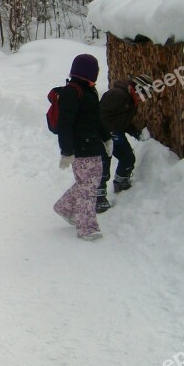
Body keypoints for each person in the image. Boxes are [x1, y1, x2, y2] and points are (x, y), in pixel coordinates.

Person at [53, 54, 112, 241]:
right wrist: (67, 151)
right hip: (80, 147)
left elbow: (96, 118)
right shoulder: (72, 92)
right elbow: (65, 124)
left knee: (88, 183)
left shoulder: (89, 91)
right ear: (88, 72)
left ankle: (64, 207)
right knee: (89, 186)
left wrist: (106, 137)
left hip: (92, 144)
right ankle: (86, 227)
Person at [96, 74, 152, 211]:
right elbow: (101, 115)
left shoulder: (131, 100)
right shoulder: (116, 95)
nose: (144, 99)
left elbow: (123, 121)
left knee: (128, 158)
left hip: (115, 133)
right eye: (144, 95)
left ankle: (121, 182)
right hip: (101, 135)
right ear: (138, 89)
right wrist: (110, 132)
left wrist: (135, 132)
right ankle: (98, 199)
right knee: (103, 165)